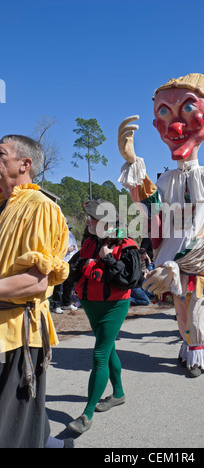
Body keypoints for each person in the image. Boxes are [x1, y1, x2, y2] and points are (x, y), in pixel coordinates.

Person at [118, 73, 204, 377]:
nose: (174, 126)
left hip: (201, 260)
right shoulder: (165, 180)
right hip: (172, 258)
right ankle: (187, 347)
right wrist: (133, 162)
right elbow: (152, 211)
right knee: (181, 308)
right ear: (157, 126)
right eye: (163, 112)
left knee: (197, 306)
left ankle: (197, 353)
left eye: (187, 110)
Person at [0, 135, 70, 448]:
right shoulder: (3, 207)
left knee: (8, 430)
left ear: (24, 165)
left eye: (1, 154)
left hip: (16, 334)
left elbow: (36, 280)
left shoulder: (42, 208)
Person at [68, 199, 143, 434]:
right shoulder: (89, 240)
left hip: (113, 307)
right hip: (90, 304)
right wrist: (87, 264)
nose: (88, 220)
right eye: (88, 216)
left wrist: (107, 259)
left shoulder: (126, 244)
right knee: (108, 349)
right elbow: (75, 267)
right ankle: (118, 394)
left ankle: (86, 414)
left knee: (100, 354)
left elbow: (132, 280)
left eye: (93, 217)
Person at [52, 226, 79, 313]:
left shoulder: (70, 235)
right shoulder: (56, 235)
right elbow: (54, 248)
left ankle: (66, 303)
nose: (68, 230)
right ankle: (56, 305)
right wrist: (67, 249)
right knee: (58, 285)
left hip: (70, 262)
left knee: (69, 284)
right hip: (60, 262)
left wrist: (74, 249)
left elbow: (75, 247)